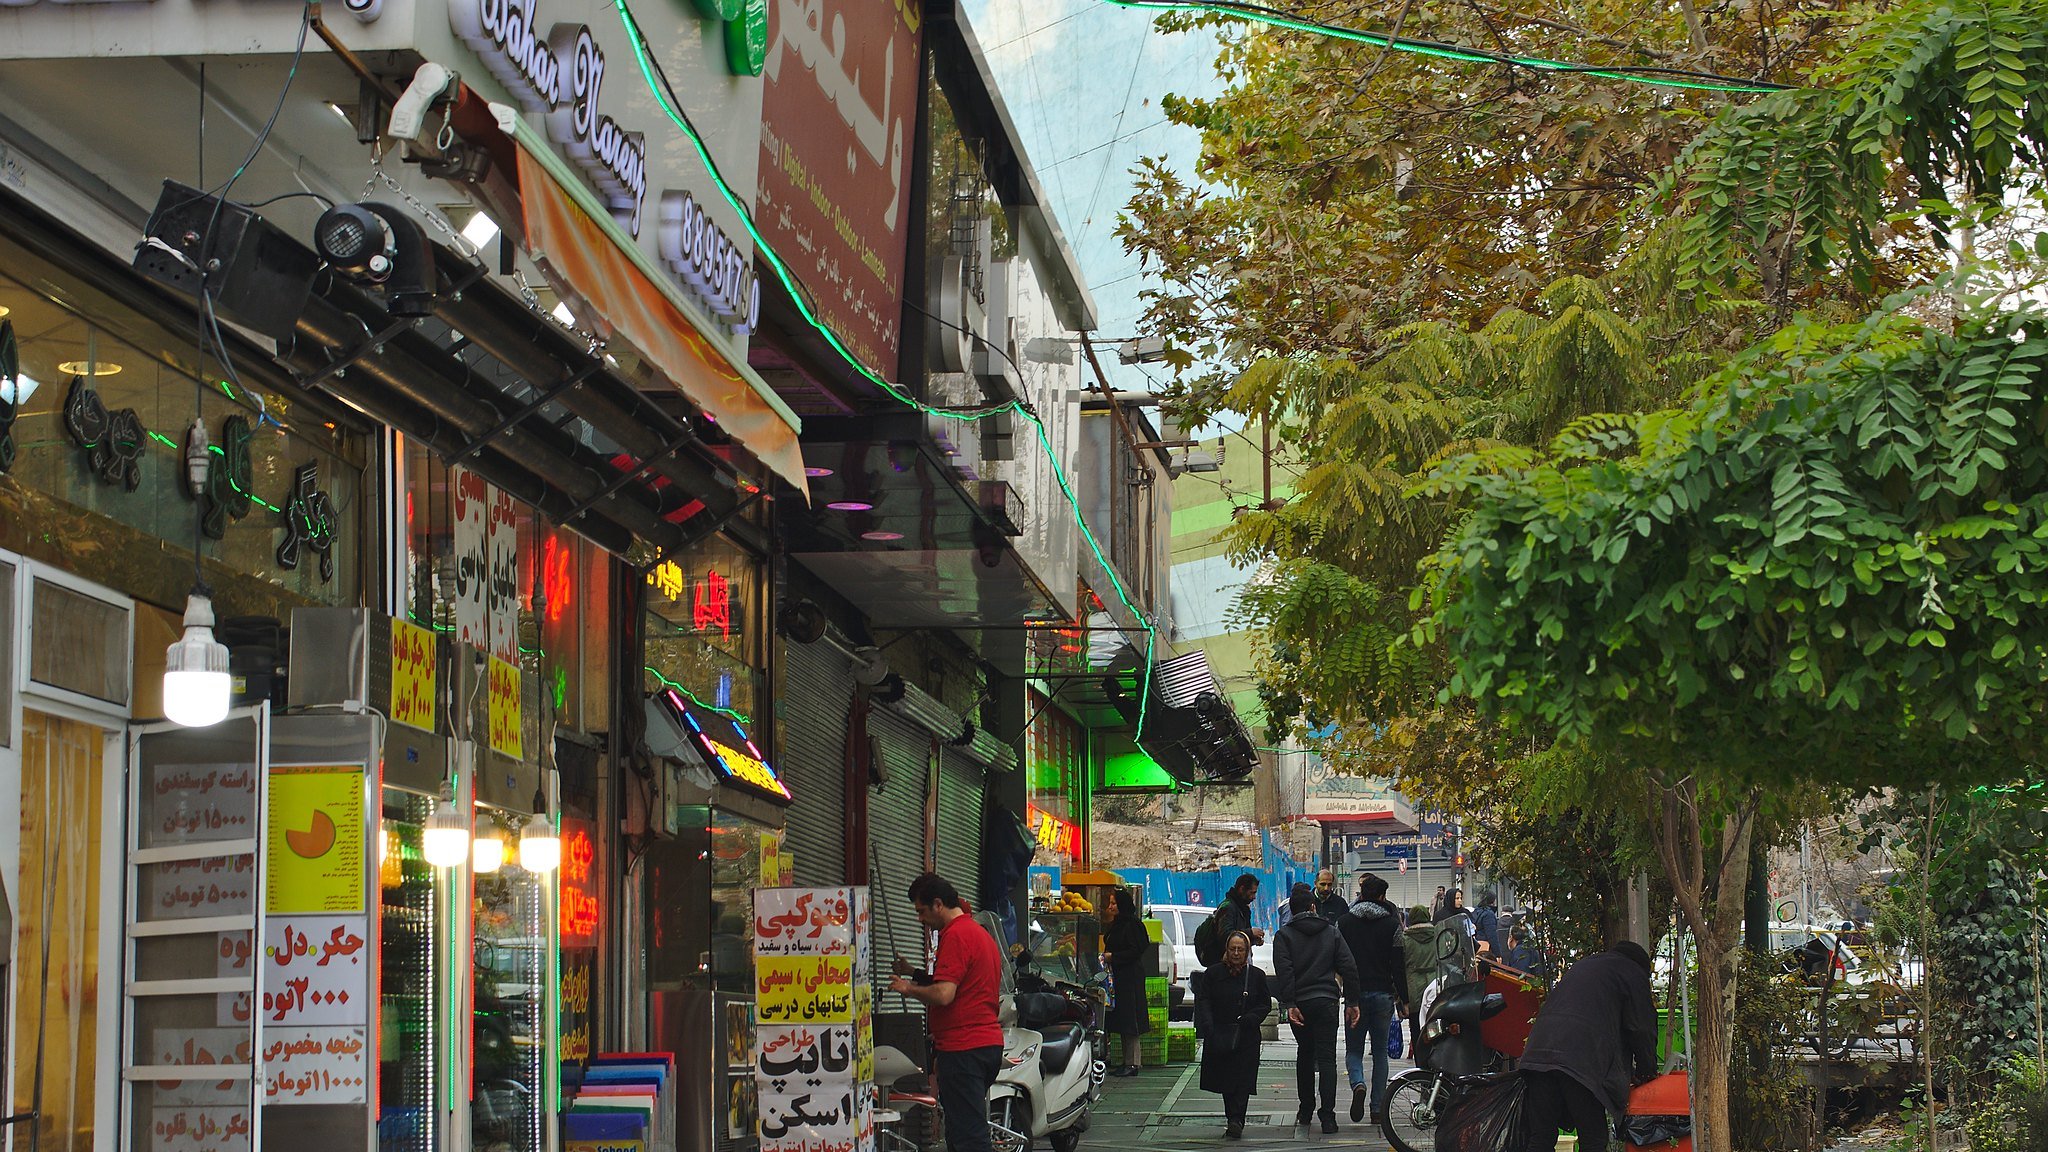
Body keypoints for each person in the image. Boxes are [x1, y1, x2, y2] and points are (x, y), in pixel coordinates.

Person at [890, 873, 1004, 1152]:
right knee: (962, 1130)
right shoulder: (978, 933)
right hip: (985, 1045)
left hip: (964, 1048)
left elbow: (944, 994)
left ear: (938, 904)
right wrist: (914, 973)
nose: (920, 919)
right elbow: (956, 983)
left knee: (969, 1138)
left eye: (921, 911)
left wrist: (907, 989)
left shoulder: (955, 935)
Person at [1518, 942, 1660, 1152]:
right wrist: (1647, 1071)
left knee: (1541, 1137)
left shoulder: (1586, 965)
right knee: (1592, 1139)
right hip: (1580, 1061)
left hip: (1537, 1056)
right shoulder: (1632, 972)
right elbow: (1641, 1028)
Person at [1273, 887, 1362, 1135]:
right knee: (1327, 1059)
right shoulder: (1331, 932)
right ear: (1313, 906)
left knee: (1304, 1054)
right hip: (1326, 1002)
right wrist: (1352, 1002)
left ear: (1292, 909)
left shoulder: (1284, 935)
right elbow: (1349, 967)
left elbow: (1285, 972)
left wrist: (1290, 1003)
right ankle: (1328, 1117)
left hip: (1300, 1003)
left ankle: (1305, 1109)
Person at [1336, 874, 1403, 1125]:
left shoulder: (1343, 923)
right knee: (1380, 1054)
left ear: (1361, 894)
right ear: (1382, 897)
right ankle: (1377, 1109)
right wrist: (1404, 999)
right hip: (1383, 995)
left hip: (1354, 997)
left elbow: (1337, 958)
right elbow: (1398, 965)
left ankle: (1358, 1084)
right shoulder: (1392, 925)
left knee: (1353, 1049)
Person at [1193, 932, 1273, 1139]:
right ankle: (1232, 1116)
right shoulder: (1213, 974)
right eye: (1232, 949)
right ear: (1226, 950)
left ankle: (1237, 1119)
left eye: (1241, 949)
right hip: (1220, 1033)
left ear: (1247, 952)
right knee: (1225, 1078)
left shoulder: (1255, 975)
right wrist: (1209, 1027)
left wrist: (1252, 1018)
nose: (1236, 953)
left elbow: (1265, 1003)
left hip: (1246, 1035)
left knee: (1243, 1079)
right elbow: (1204, 1001)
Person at [1101, 887, 1151, 1077]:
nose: (1110, 907)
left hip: (1129, 978)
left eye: (1114, 903)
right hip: (1119, 978)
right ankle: (1127, 1061)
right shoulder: (1118, 924)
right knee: (1123, 1019)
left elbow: (1136, 950)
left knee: (1130, 1019)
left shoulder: (1132, 925)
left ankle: (1133, 1063)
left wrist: (1113, 957)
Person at [1212, 874, 1266, 951]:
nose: (1254, 897)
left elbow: (1242, 939)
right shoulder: (1228, 907)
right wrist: (1250, 932)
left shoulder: (1243, 908)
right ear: (1242, 889)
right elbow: (1225, 935)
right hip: (1228, 959)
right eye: (1252, 893)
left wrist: (1253, 939)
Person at [1471, 890, 1502, 954]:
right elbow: (1492, 935)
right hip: (1486, 948)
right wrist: (1497, 953)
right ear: (1493, 901)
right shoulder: (1488, 914)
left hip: (1476, 946)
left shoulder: (1475, 911)